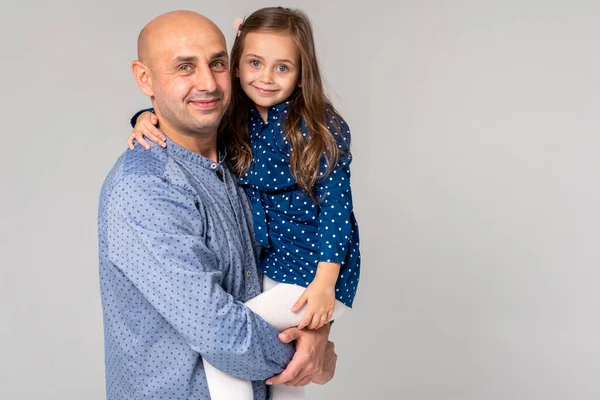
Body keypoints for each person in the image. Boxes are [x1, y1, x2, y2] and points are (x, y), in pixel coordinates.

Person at [98, 10, 337, 400]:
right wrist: (307, 356)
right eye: (184, 67)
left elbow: (298, 248)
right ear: (145, 78)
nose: (208, 83)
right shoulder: (144, 187)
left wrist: (317, 327)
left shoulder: (247, 159)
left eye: (217, 63)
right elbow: (216, 328)